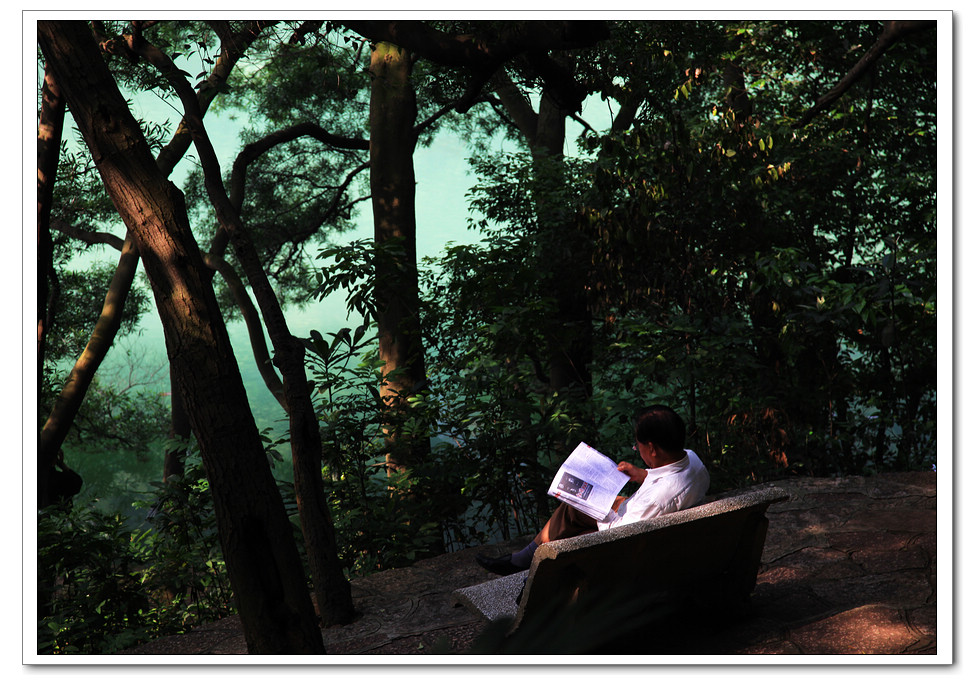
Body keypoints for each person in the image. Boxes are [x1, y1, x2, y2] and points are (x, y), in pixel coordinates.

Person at [474, 405, 710, 575]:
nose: (637, 450)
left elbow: (619, 537)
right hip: (657, 528)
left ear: (652, 448)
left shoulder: (658, 500)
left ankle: (528, 567)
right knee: (573, 509)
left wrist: (595, 503)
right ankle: (524, 559)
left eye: (637, 446)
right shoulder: (692, 460)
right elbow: (668, 483)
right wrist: (642, 474)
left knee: (571, 518)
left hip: (629, 550)